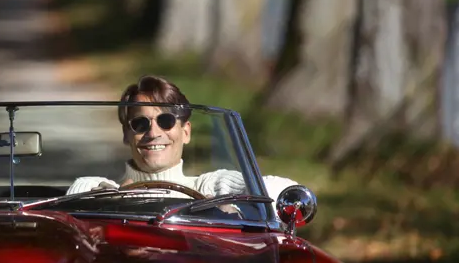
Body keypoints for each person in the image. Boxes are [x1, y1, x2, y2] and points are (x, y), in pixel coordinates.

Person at [65, 75, 296, 209]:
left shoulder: (208, 187)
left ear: (186, 132)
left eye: (165, 121)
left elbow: (280, 189)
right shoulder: (100, 188)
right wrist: (112, 200)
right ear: (127, 134)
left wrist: (225, 207)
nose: (154, 133)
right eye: (140, 124)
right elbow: (72, 208)